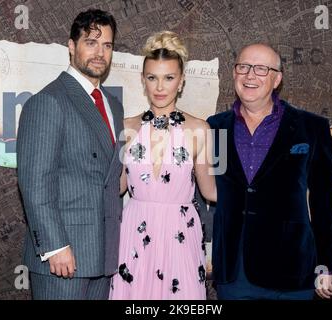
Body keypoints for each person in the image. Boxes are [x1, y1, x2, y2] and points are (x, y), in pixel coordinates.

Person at [207, 43, 332, 300]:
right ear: (234, 74)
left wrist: (324, 264)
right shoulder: (214, 128)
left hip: (292, 274)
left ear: (277, 79)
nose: (250, 75)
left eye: (261, 69)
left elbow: (324, 204)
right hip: (234, 274)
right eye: (243, 67)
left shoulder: (311, 128)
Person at [17, 9, 124, 300]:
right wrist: (54, 246)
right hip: (63, 257)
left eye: (107, 45)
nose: (100, 52)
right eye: (91, 42)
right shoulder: (48, 101)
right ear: (72, 46)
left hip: (102, 256)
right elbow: (34, 181)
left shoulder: (114, 106)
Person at [109, 31, 216, 300]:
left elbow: (211, 192)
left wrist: (265, 197)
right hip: (134, 232)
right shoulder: (127, 128)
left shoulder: (200, 129)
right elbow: (117, 187)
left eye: (168, 78)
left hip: (180, 234)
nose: (160, 87)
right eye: (152, 78)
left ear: (181, 82)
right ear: (143, 81)